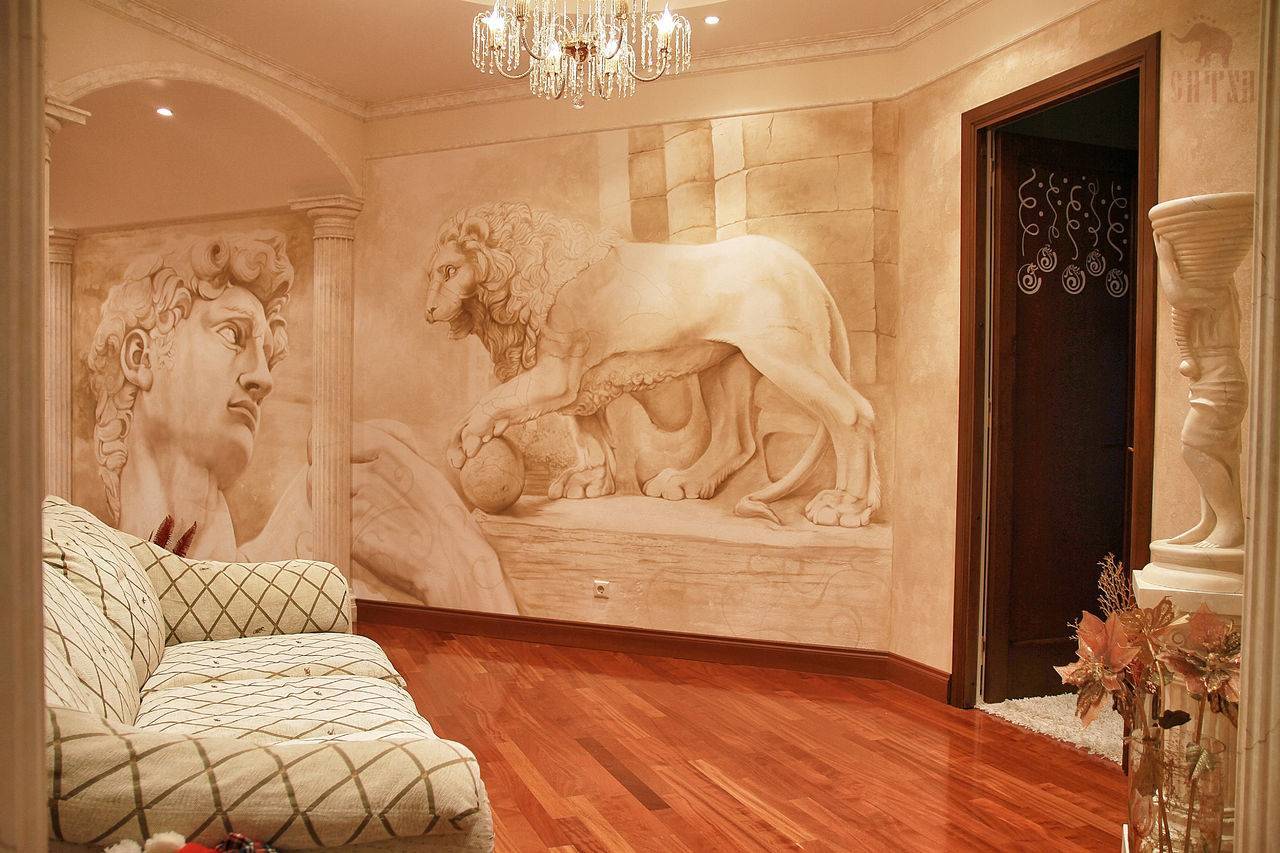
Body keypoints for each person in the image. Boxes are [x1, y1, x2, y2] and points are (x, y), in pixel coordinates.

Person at [87, 233, 518, 612]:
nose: (264, 378)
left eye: (268, 356)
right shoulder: (85, 573)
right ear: (140, 358)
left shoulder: (322, 520)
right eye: (232, 335)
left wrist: (454, 564)